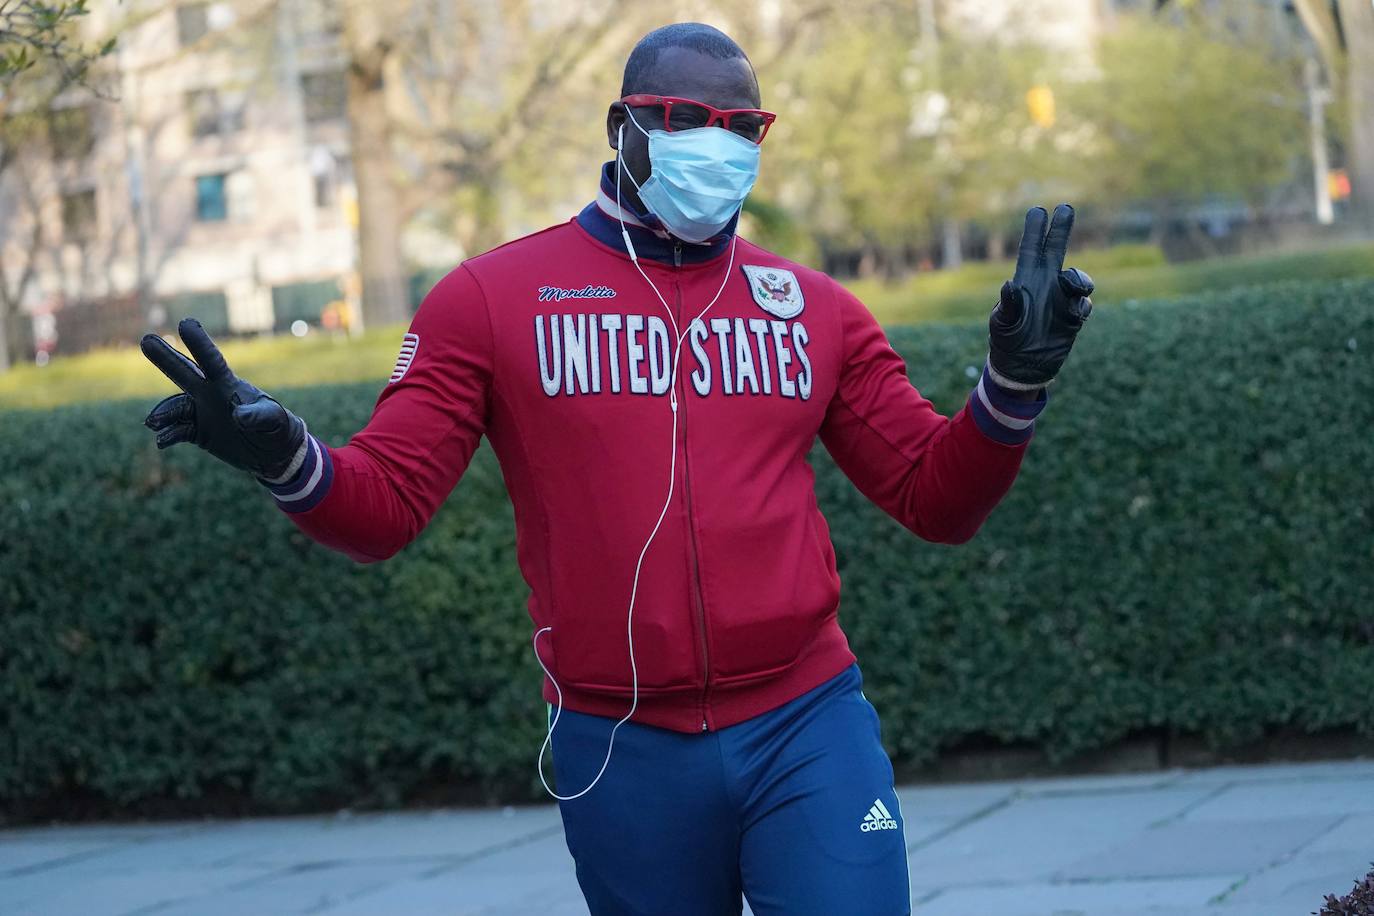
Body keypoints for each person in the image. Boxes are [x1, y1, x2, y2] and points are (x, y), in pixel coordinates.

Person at [139, 21, 1093, 916]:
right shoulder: (490, 298)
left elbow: (937, 498)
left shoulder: (814, 309)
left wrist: (1010, 386)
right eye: (684, 119)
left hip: (806, 722)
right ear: (623, 125)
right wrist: (284, 456)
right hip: (619, 743)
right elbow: (383, 508)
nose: (715, 144)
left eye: (742, 126)